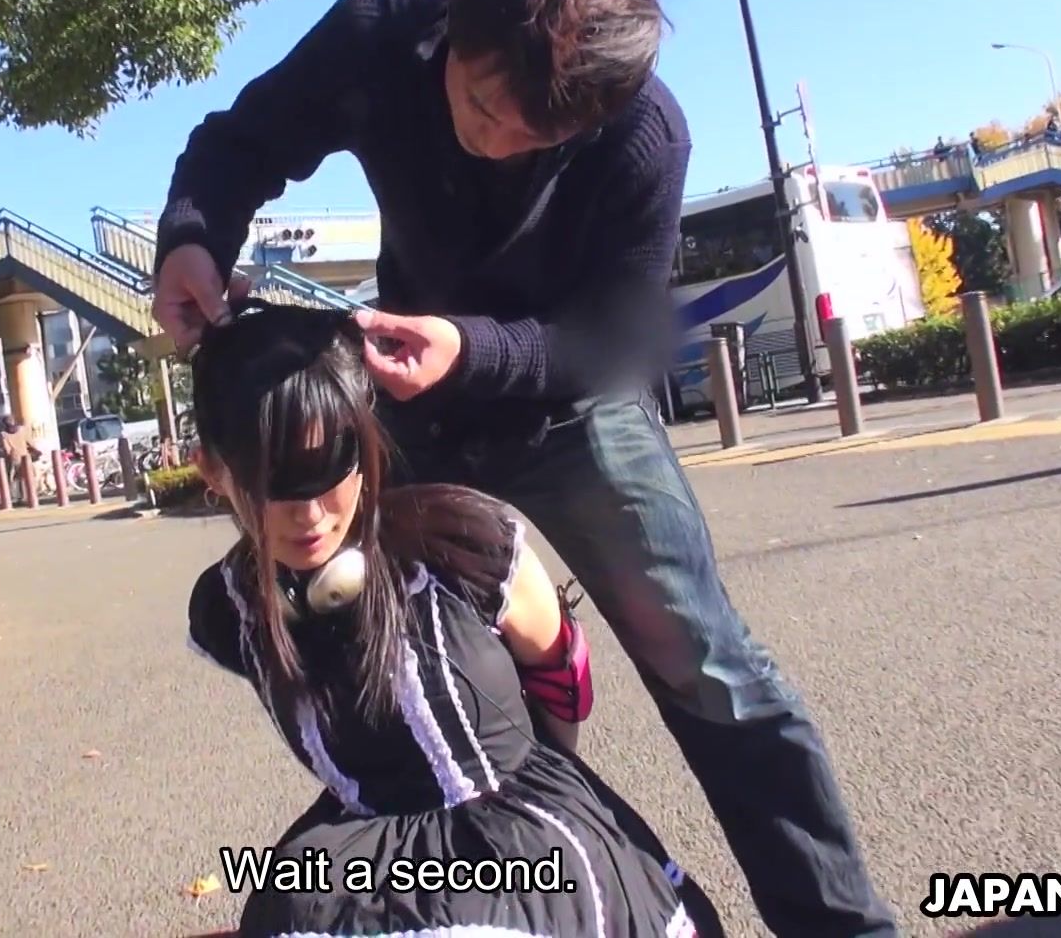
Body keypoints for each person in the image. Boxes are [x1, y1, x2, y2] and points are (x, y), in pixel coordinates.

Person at [150, 0, 896, 938]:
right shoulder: (380, 33)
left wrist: (475, 350)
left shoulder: (645, 134)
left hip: (571, 406)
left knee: (707, 666)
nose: (499, 143)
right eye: (482, 106)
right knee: (391, 669)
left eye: (539, 134)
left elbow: (614, 336)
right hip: (409, 412)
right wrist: (194, 238)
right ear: (453, 30)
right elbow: (241, 143)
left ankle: (841, 925)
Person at [184, 299, 719, 936]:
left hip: (517, 835)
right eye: (270, 479)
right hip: (356, 848)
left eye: (330, 466)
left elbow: (560, 669)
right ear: (212, 469)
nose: (309, 514)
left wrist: (543, 769)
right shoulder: (230, 606)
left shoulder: (460, 540)